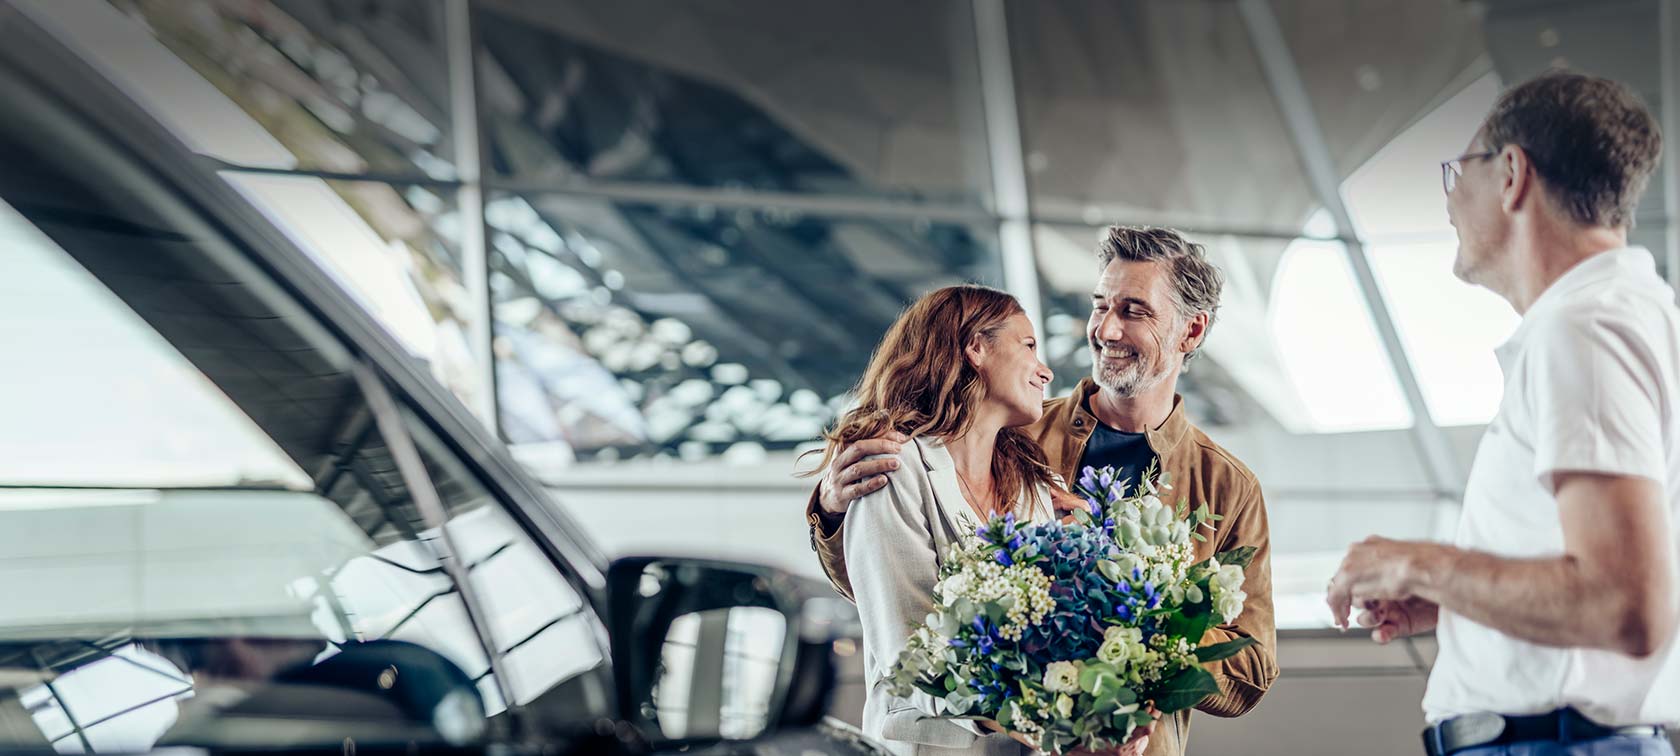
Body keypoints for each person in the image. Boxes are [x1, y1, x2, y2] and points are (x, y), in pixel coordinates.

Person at [805, 228, 1278, 756]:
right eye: (1101, 306)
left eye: (1135, 310)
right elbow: (896, 600)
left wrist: (1134, 608)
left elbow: (1250, 673)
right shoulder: (1009, 433)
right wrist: (830, 511)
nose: (1106, 329)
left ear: (1191, 331)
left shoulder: (1227, 487)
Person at [1326, 70, 1679, 756]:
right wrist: (1468, 603)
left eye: (1459, 171)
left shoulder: (1583, 329)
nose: (1451, 199)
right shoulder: (1632, 319)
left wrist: (1420, 564)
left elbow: (1625, 604)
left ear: (1512, 172)